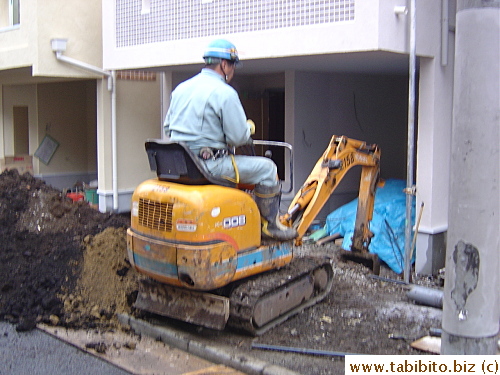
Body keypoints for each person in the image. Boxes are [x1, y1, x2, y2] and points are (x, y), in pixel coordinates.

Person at [164, 39, 297, 241]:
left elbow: (168, 128)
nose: (233, 69)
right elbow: (237, 137)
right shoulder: (225, 93)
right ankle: (270, 226)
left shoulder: (180, 89)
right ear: (224, 65)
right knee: (268, 169)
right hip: (210, 165)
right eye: (232, 64)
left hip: (181, 164)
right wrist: (247, 128)